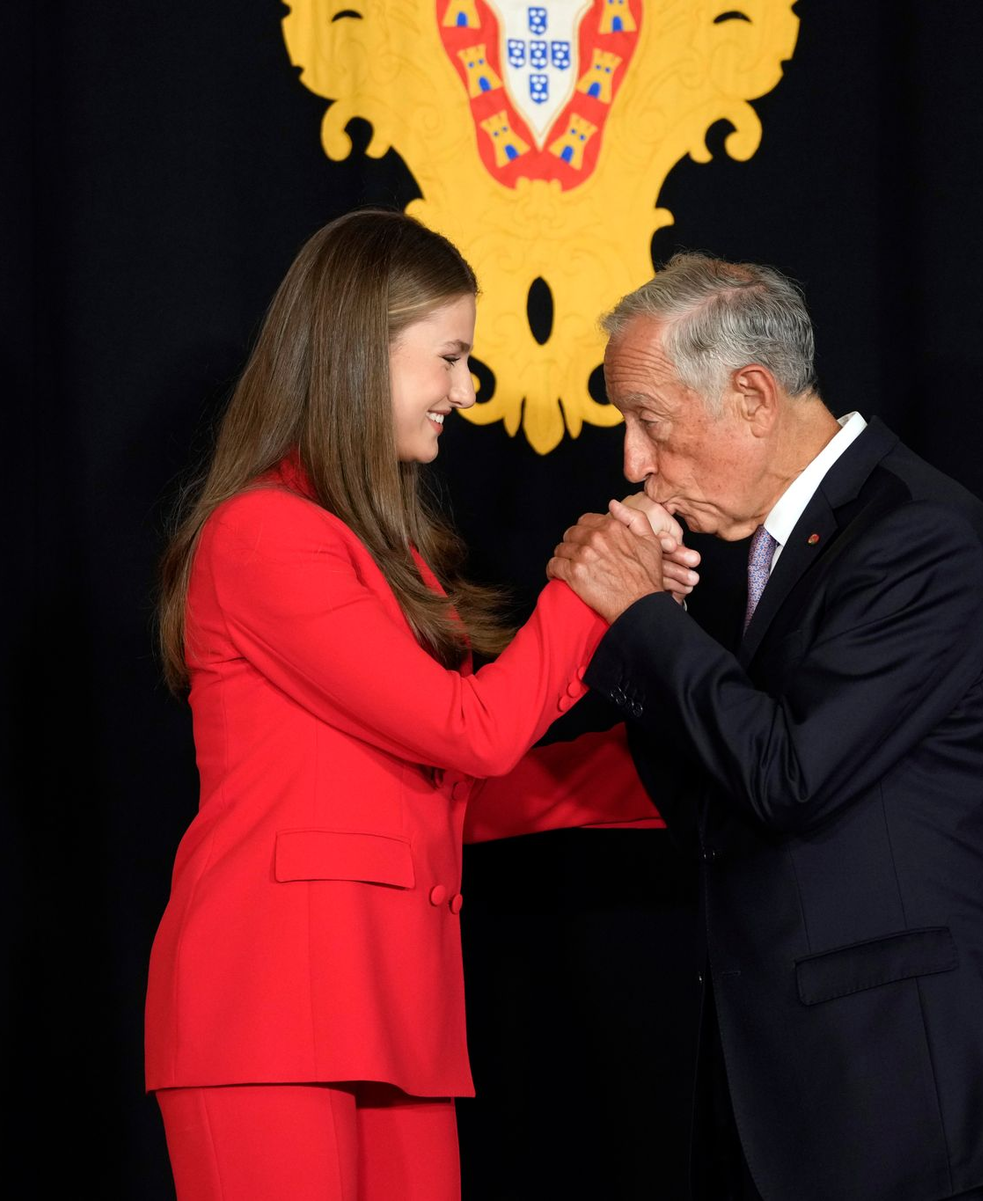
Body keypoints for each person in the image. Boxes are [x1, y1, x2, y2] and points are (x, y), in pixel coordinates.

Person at [145, 209, 675, 1201]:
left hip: (393, 1013)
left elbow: (441, 789)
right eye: (450, 357)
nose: (463, 392)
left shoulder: (391, 557)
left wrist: (669, 761)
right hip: (266, 1012)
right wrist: (592, 589)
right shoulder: (262, 535)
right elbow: (465, 732)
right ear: (357, 351)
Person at [548, 254, 983, 1201]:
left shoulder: (921, 535)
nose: (631, 463)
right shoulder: (775, 552)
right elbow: (715, 815)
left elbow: (791, 774)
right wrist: (643, 633)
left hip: (927, 1113)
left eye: (649, 420)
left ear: (754, 396)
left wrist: (641, 620)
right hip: (807, 1106)